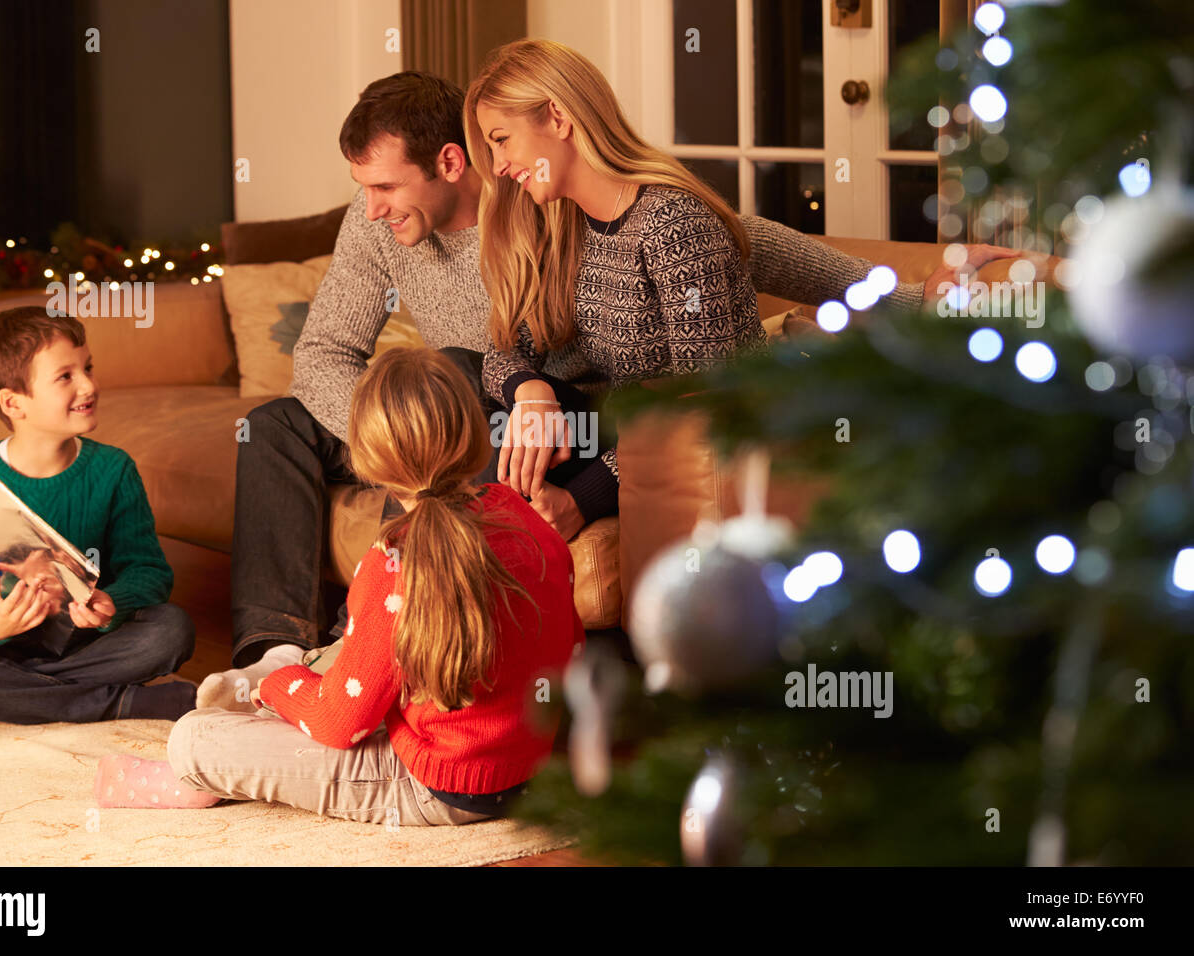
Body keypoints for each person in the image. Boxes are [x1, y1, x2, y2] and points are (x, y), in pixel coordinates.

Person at [220, 66, 1013, 691]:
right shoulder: (377, 230)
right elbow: (321, 355)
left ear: (451, 162)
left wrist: (904, 296)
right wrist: (395, 442)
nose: (369, 209)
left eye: (385, 187)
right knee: (274, 424)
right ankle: (275, 650)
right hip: (459, 413)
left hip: (560, 416)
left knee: (462, 371)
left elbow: (744, 239)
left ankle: (458, 652)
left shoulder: (537, 197)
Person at [466, 38, 1017, 502]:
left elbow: (703, 405)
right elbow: (502, 348)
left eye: (501, 141)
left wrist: (582, 501)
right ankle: (418, 585)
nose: (497, 167)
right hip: (623, 432)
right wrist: (529, 390)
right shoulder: (561, 224)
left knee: (483, 445)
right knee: (455, 382)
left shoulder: (672, 224)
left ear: (558, 118)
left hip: (699, 441)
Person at [96, 348, 584, 825]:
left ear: (368, 462)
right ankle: (287, 690)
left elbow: (339, 727)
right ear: (479, 436)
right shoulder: (521, 513)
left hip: (439, 786)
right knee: (346, 658)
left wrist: (276, 686)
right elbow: (569, 642)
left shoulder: (393, 558)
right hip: (530, 767)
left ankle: (207, 766)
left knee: (195, 738)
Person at [0, 307, 195, 726]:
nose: (89, 384)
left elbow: (148, 571)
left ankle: (4, 697)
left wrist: (111, 603)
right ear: (14, 403)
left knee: (172, 630)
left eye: (87, 368)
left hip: (91, 641)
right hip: (5, 647)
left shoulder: (113, 469)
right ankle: (123, 703)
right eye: (65, 376)